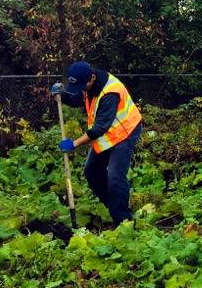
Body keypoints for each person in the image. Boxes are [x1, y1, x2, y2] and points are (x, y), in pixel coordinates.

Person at [51, 62, 143, 226]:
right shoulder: (88, 84)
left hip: (125, 133)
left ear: (92, 77)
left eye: (81, 86)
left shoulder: (109, 92)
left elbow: (99, 128)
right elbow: (78, 99)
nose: (80, 89)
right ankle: (115, 206)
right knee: (91, 171)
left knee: (115, 177)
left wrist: (74, 143)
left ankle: (124, 222)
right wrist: (61, 95)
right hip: (108, 133)